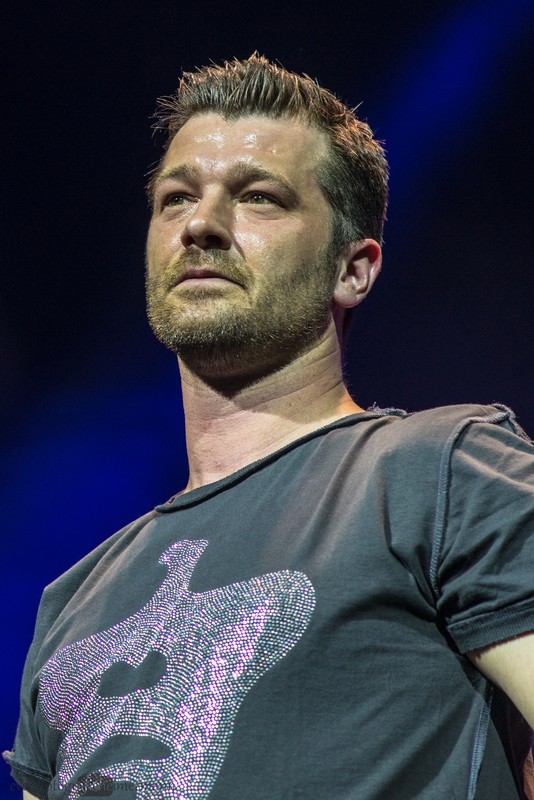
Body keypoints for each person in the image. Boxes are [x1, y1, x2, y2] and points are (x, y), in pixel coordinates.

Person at [4, 54, 534, 800]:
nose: (201, 225)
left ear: (354, 269)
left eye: (258, 197)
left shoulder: (446, 472)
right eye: (176, 198)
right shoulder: (72, 601)